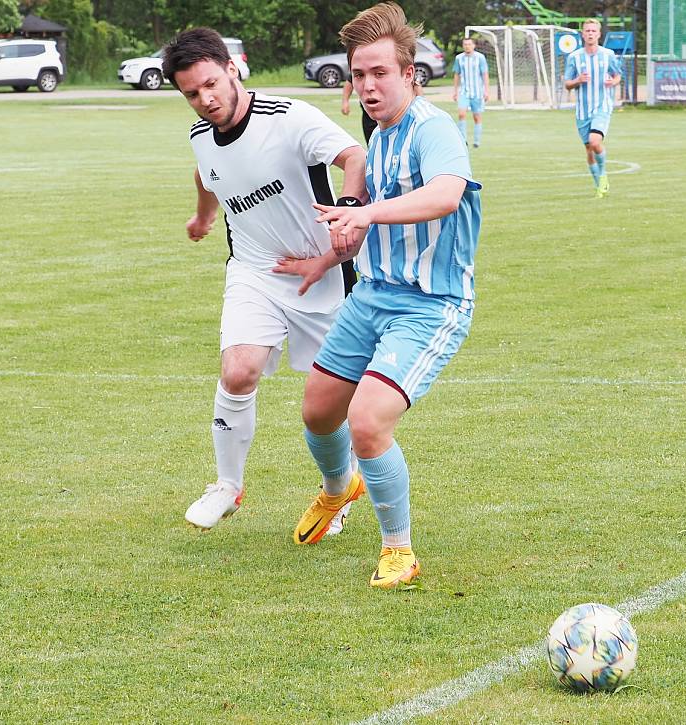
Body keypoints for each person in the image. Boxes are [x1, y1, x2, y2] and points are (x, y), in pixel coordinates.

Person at [292, 1, 482, 589]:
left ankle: (399, 548)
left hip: (430, 305)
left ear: (410, 75)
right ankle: (337, 489)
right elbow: (366, 227)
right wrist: (326, 254)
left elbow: (447, 194)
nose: (368, 86)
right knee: (318, 413)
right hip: (371, 296)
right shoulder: (378, 135)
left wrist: (367, 210)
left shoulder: (434, 128)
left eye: (380, 73)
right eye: (358, 75)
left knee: (368, 421)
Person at [160, 28, 367, 532]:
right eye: (191, 94)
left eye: (211, 83)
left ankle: (336, 493)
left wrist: (346, 217)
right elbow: (205, 172)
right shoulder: (199, 136)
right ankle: (227, 486)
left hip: (322, 277)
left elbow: (355, 157)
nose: (205, 100)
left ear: (232, 68)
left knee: (326, 409)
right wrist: (204, 217)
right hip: (253, 271)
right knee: (238, 371)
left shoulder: (289, 117)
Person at [563, 19, 622, 198]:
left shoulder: (608, 54)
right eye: (587, 30)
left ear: (598, 34)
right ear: (582, 34)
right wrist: (577, 80)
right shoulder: (574, 57)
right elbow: (567, 84)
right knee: (589, 149)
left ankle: (603, 174)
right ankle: (599, 186)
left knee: (595, 142)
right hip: (582, 111)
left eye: (593, 31)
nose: (590, 33)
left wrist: (613, 81)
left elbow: (617, 74)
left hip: (602, 107)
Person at [342, 76, 422, 145]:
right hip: (370, 116)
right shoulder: (365, 63)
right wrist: (345, 101)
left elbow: (415, 84)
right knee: (373, 145)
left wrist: (420, 104)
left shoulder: (394, 63)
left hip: (394, 115)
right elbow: (350, 80)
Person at [453, 37, 490, 148]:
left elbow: (485, 74)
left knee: (477, 117)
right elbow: (456, 74)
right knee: (461, 114)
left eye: (469, 44)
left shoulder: (480, 58)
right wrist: (455, 91)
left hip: (477, 92)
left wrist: (486, 91)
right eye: (465, 44)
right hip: (464, 91)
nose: (467, 46)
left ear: (473, 45)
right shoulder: (459, 58)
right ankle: (463, 140)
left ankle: (477, 141)